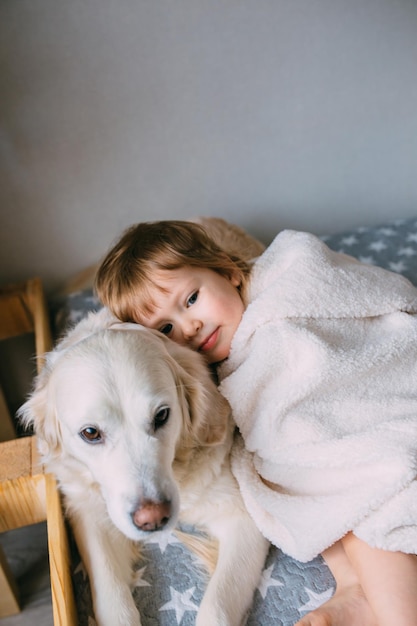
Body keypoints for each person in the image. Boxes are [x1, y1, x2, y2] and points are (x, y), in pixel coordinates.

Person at [95, 219, 417, 626]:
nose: (189, 327)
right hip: (329, 456)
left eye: (191, 298)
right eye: (166, 329)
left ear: (227, 270)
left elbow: (364, 299)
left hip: (384, 415)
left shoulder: (290, 278)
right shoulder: (212, 370)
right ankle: (353, 588)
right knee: (310, 488)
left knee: (364, 501)